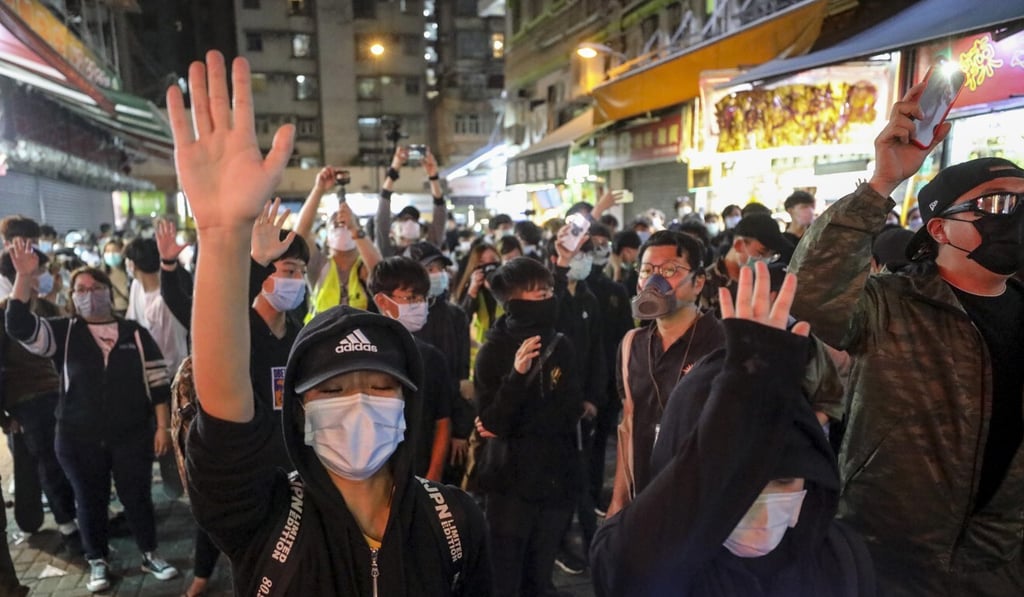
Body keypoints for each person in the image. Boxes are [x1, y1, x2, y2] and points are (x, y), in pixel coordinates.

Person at [170, 51, 491, 596]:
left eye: (381, 385)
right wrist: (223, 237)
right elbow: (223, 415)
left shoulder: (455, 521)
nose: (360, 402)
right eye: (334, 389)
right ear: (299, 410)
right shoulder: (263, 516)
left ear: (408, 401)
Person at [788, 80, 1024, 596]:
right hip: (887, 558)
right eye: (1002, 204)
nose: (1019, 219)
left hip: (1001, 564)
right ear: (939, 229)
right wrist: (881, 184)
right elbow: (809, 292)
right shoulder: (888, 304)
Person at [590, 261, 876, 597]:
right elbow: (626, 561)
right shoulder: (662, 567)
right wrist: (739, 397)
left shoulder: (841, 561)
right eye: (739, 481)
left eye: (783, 480)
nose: (760, 500)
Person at [4, 242, 178, 593]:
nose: (90, 294)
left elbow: (159, 384)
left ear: (106, 291)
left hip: (131, 434)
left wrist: (162, 427)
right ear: (73, 296)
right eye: (81, 290)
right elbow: (19, 325)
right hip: (77, 438)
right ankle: (97, 560)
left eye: (96, 288)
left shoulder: (135, 333)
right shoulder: (62, 333)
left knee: (137, 496)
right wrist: (24, 276)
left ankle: (150, 552)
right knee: (89, 499)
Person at [474, 257, 583, 597]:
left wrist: (515, 422)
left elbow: (570, 411)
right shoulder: (492, 351)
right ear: (513, 302)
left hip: (555, 478)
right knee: (505, 574)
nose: (549, 298)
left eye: (550, 291)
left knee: (540, 573)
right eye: (539, 294)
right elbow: (490, 422)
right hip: (509, 483)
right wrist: (518, 376)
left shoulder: (561, 344)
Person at [607, 231, 726, 519]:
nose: (654, 281)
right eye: (647, 270)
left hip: (701, 503)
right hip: (644, 500)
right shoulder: (631, 345)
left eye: (670, 270)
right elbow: (629, 424)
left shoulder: (723, 343)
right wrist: (619, 500)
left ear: (698, 282)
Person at [0, 249, 78, 545]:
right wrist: (4, 418)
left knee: (69, 456)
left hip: (59, 393)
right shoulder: (4, 314)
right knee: (48, 462)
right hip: (27, 401)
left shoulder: (47, 308)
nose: (42, 276)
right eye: (37, 271)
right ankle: (66, 521)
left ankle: (77, 512)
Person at [368, 256, 454, 481]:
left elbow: (442, 421)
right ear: (382, 301)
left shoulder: (431, 357)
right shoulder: (363, 356)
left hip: (420, 472)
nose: (420, 305)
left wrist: (433, 476)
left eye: (424, 298)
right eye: (411, 298)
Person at [406, 241, 473, 486]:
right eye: (430, 269)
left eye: (440, 269)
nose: (438, 275)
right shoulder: (404, 314)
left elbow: (463, 380)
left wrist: (461, 430)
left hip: (446, 419)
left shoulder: (455, 316)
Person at [295, 174, 382, 319]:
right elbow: (300, 235)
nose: (342, 228)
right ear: (327, 238)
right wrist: (318, 190)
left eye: (346, 225)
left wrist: (354, 228)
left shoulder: (366, 267)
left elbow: (381, 271)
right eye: (335, 225)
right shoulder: (319, 265)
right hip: (321, 338)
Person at [700, 214, 794, 316]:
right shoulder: (704, 282)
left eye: (771, 256)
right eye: (761, 252)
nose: (765, 260)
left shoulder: (768, 281)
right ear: (739, 245)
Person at [376, 146, 447, 255]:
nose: (409, 223)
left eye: (413, 219)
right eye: (405, 219)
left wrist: (433, 177)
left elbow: (440, 213)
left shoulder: (426, 254)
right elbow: (382, 217)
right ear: (395, 228)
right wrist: (394, 169)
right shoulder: (388, 252)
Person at [101, 239, 131, 316]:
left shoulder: (130, 273)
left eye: (115, 251)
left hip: (129, 312)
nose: (111, 254)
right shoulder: (101, 275)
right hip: (110, 314)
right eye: (107, 251)